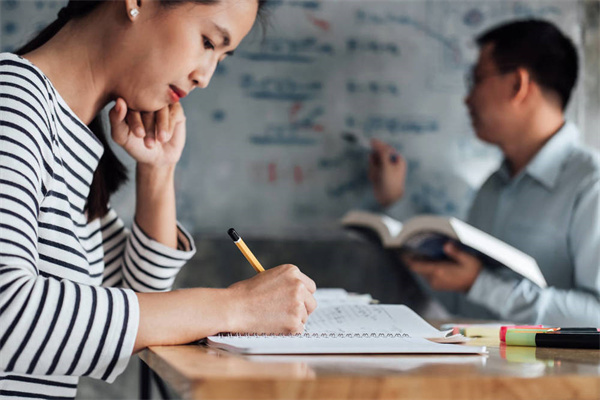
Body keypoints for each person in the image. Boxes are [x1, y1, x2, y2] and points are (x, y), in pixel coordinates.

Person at [0, 0, 317, 398]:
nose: (206, 76)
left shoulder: (68, 129)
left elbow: (141, 305)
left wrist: (158, 171)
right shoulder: (12, 102)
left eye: (222, 55)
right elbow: (7, 316)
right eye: (207, 41)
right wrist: (236, 307)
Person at [368, 19, 599, 326]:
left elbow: (596, 314)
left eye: (476, 80)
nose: (468, 98)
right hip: (487, 371)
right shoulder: (493, 186)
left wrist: (481, 284)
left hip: (562, 374)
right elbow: (462, 299)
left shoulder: (590, 184)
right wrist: (395, 203)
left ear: (517, 85)